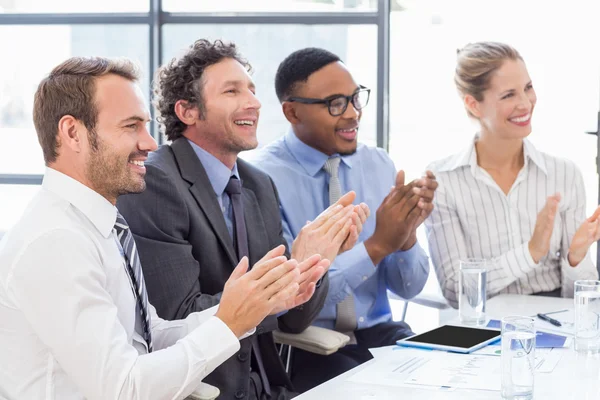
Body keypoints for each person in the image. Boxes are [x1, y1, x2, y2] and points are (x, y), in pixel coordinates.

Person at [0, 56, 306, 400]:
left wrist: (245, 307)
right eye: (131, 127)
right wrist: (227, 325)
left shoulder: (101, 225)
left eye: (145, 126)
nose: (149, 143)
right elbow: (124, 388)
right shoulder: (56, 242)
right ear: (73, 133)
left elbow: (151, 336)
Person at [116, 40, 363, 400]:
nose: (254, 102)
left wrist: (315, 261)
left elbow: (294, 319)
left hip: (270, 387)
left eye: (251, 89)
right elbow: (178, 318)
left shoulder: (258, 184)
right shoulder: (156, 184)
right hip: (210, 387)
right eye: (232, 91)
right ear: (187, 111)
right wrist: (287, 276)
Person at [252, 47, 437, 392]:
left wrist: (406, 234)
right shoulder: (262, 179)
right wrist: (378, 245)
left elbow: (409, 288)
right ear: (292, 112)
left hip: (382, 334)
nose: (353, 114)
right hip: (306, 345)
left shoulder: (379, 163)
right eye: (336, 104)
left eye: (355, 99)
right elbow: (296, 301)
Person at [425, 41, 600, 308]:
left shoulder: (564, 174)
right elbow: (455, 291)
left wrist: (576, 258)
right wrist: (530, 252)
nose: (525, 103)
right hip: (482, 327)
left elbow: (582, 301)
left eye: (528, 88)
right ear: (474, 105)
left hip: (554, 324)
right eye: (508, 95)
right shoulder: (444, 181)